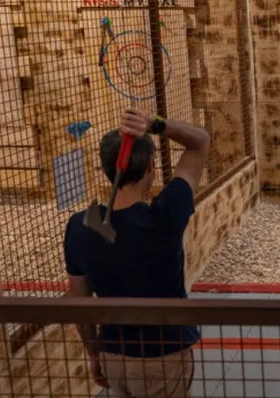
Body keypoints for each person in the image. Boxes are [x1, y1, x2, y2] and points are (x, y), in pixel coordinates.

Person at [64, 108, 210, 397]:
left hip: (114, 355)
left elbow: (80, 302)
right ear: (151, 167)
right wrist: (155, 124)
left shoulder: (80, 225)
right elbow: (200, 141)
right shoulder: (165, 215)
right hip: (164, 354)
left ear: (106, 169)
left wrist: (95, 354)